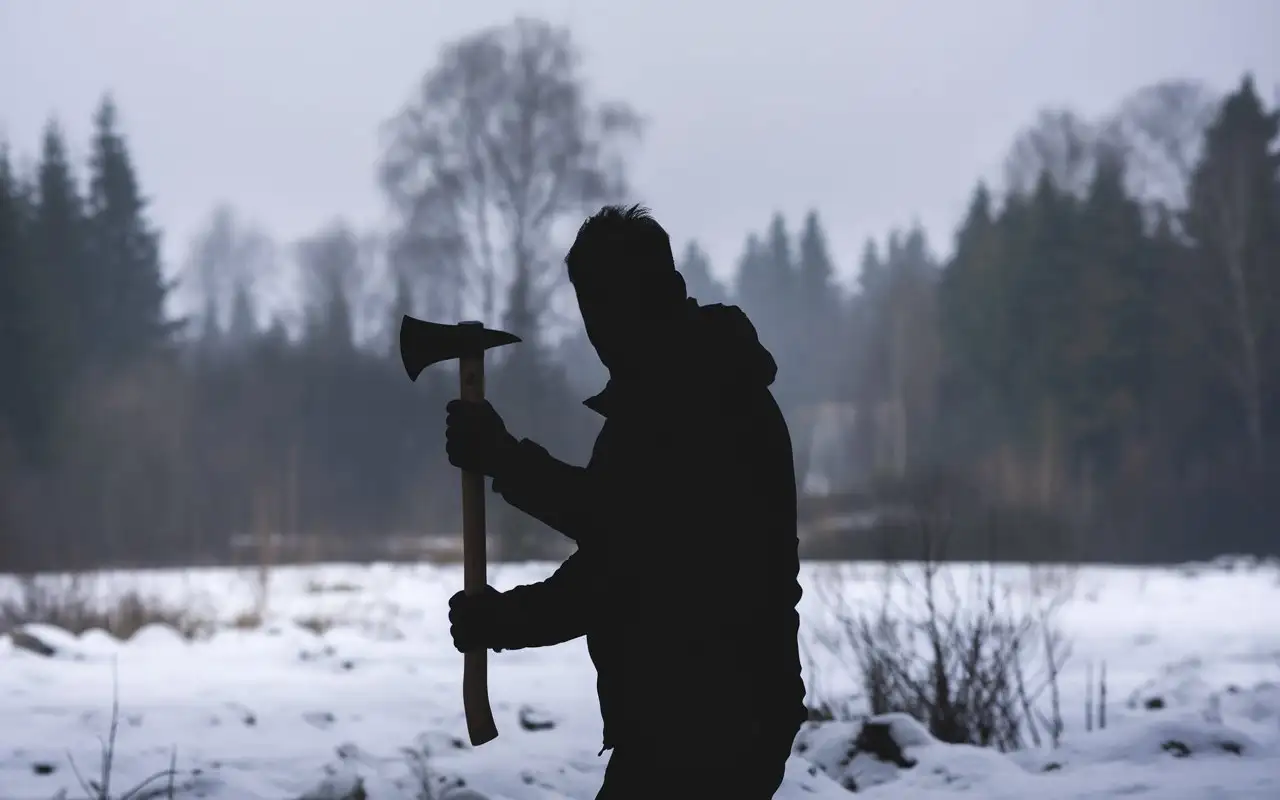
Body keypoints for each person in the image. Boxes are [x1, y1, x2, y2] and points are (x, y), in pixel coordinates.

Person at [444, 204, 806, 798]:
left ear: (666, 290)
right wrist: (505, 616)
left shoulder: (702, 395)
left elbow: (625, 546)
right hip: (700, 710)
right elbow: (621, 547)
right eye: (591, 308)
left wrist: (504, 460)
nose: (601, 329)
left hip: (711, 712)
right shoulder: (673, 388)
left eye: (614, 302)